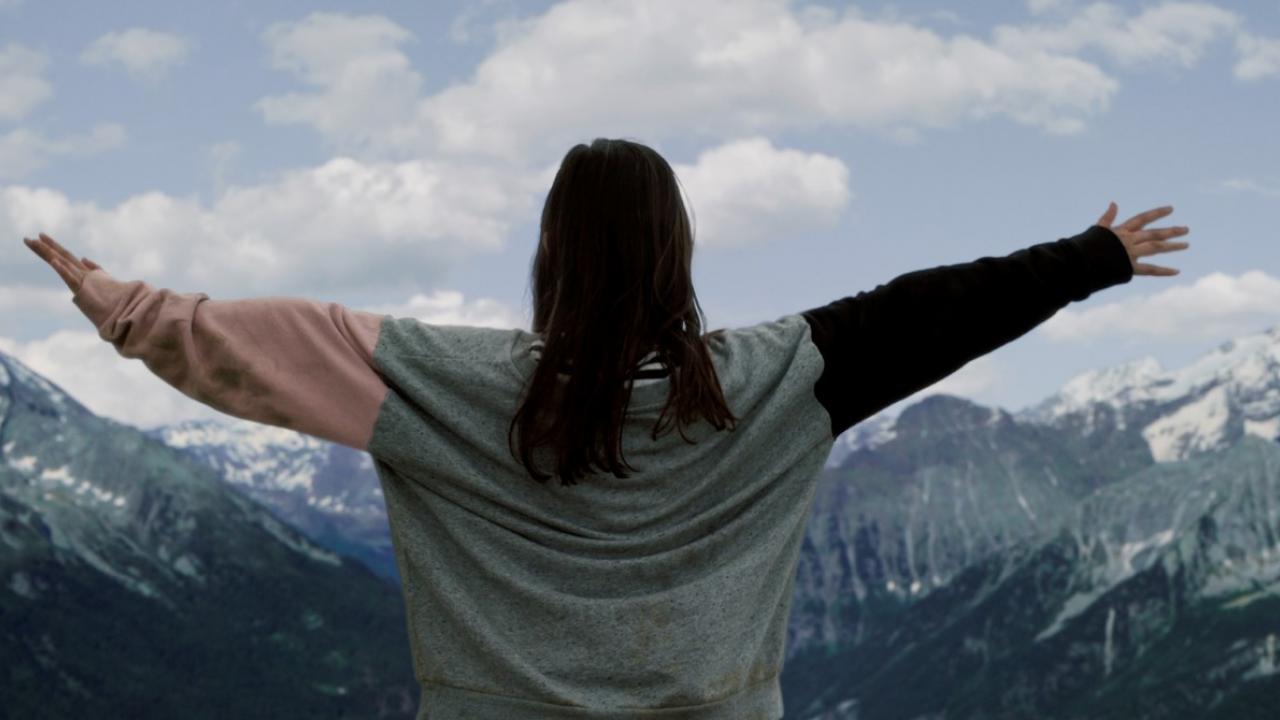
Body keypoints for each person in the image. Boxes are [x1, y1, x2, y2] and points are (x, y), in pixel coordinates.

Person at [23, 138, 1189, 719]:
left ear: (550, 252)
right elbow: (928, 310)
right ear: (677, 250)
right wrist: (1087, 260)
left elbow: (278, 340)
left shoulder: (451, 385)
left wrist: (126, 307)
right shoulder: (776, 381)